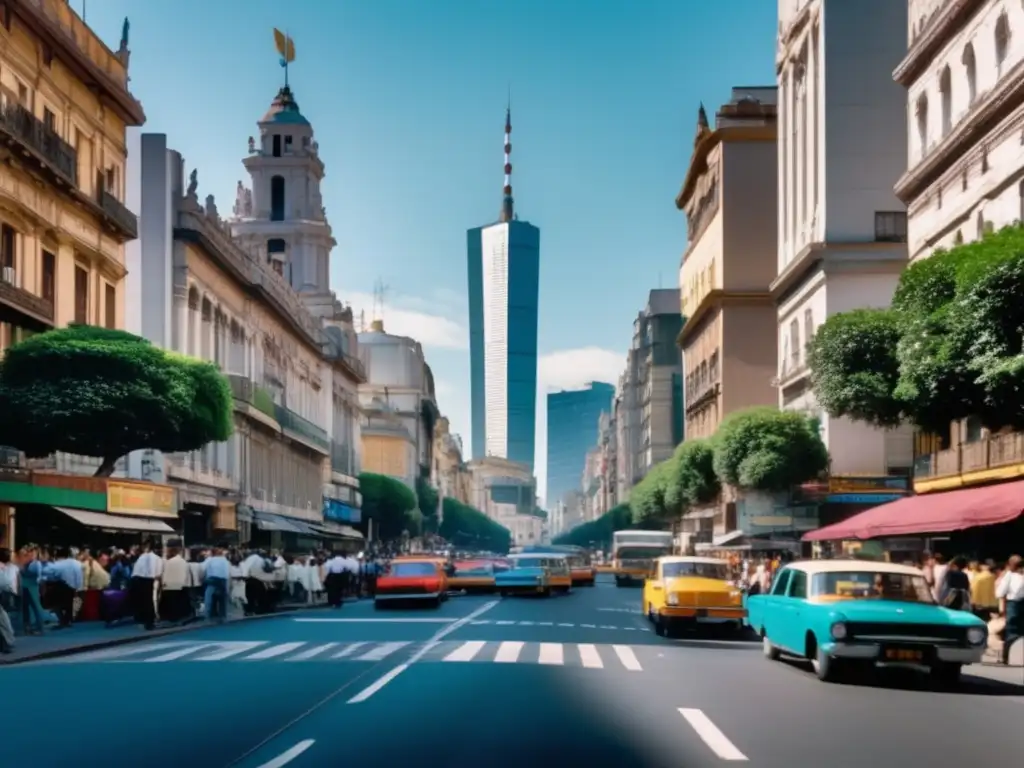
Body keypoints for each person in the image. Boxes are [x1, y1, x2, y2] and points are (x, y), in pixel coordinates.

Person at [996, 554, 1023, 665]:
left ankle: (1006, 657)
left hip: (1014, 604)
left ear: (1011, 564)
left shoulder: (1009, 575)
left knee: (1012, 630)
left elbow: (1000, 592)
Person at [130, 540, 163, 630]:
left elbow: (135, 570)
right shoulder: (158, 559)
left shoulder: (141, 557)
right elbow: (158, 573)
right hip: (149, 580)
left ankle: (141, 619)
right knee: (149, 601)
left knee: (140, 601)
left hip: (137, 579)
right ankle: (150, 621)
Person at [203, 547, 231, 622]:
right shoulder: (225, 560)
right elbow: (228, 572)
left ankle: (208, 615)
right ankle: (223, 616)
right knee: (222, 600)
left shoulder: (210, 559)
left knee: (209, 598)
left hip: (212, 580)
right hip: (223, 581)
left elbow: (202, 568)